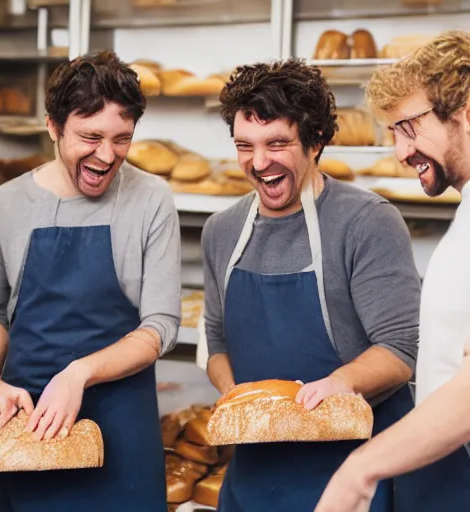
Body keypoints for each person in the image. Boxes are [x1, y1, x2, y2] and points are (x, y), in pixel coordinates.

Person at [200, 59, 422, 511]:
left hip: (357, 473)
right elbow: (217, 339)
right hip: (256, 477)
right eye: (245, 146)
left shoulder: (367, 222)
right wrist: (236, 399)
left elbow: (401, 350)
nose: (259, 163)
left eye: (277, 144)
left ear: (316, 141)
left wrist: (339, 383)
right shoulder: (222, 230)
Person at [0, 50, 181, 512]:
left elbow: (161, 325)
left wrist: (80, 372)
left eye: (122, 139)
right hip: (28, 419)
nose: (107, 156)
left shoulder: (152, 200)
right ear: (53, 127)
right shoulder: (2, 206)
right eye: (91, 137)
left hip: (122, 423)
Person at [316, 30, 470, 512]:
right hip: (446, 461)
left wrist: (361, 470)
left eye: (409, 127)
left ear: (465, 113)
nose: (402, 153)